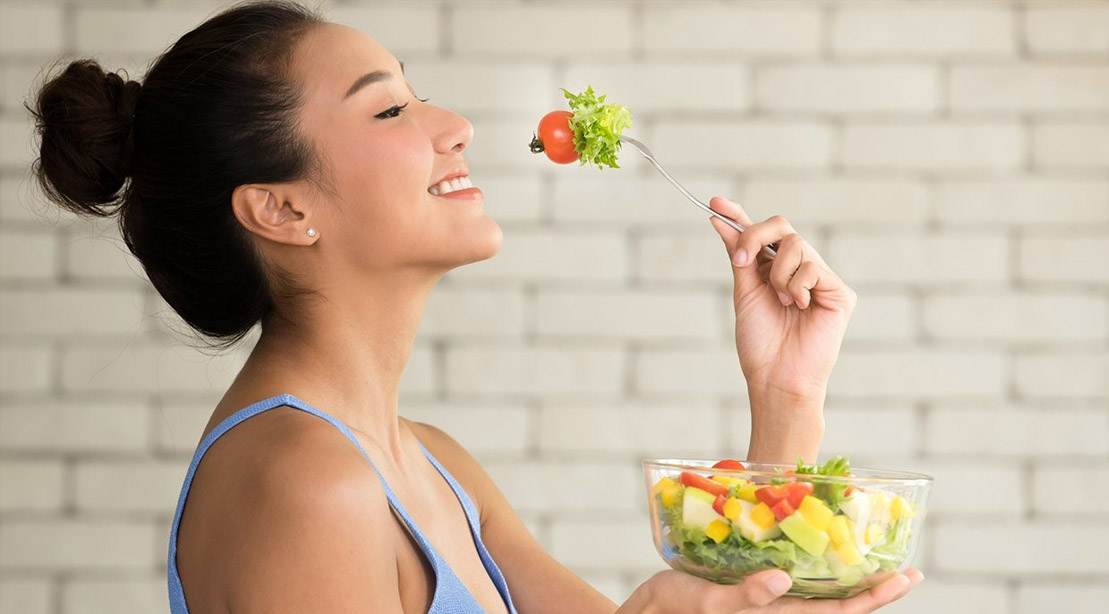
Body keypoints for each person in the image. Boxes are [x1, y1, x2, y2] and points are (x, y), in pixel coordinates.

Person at [28, 1, 922, 612]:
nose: (451, 123)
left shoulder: (431, 465)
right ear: (281, 209)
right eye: (387, 112)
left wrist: (785, 393)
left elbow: (737, 600)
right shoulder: (303, 482)